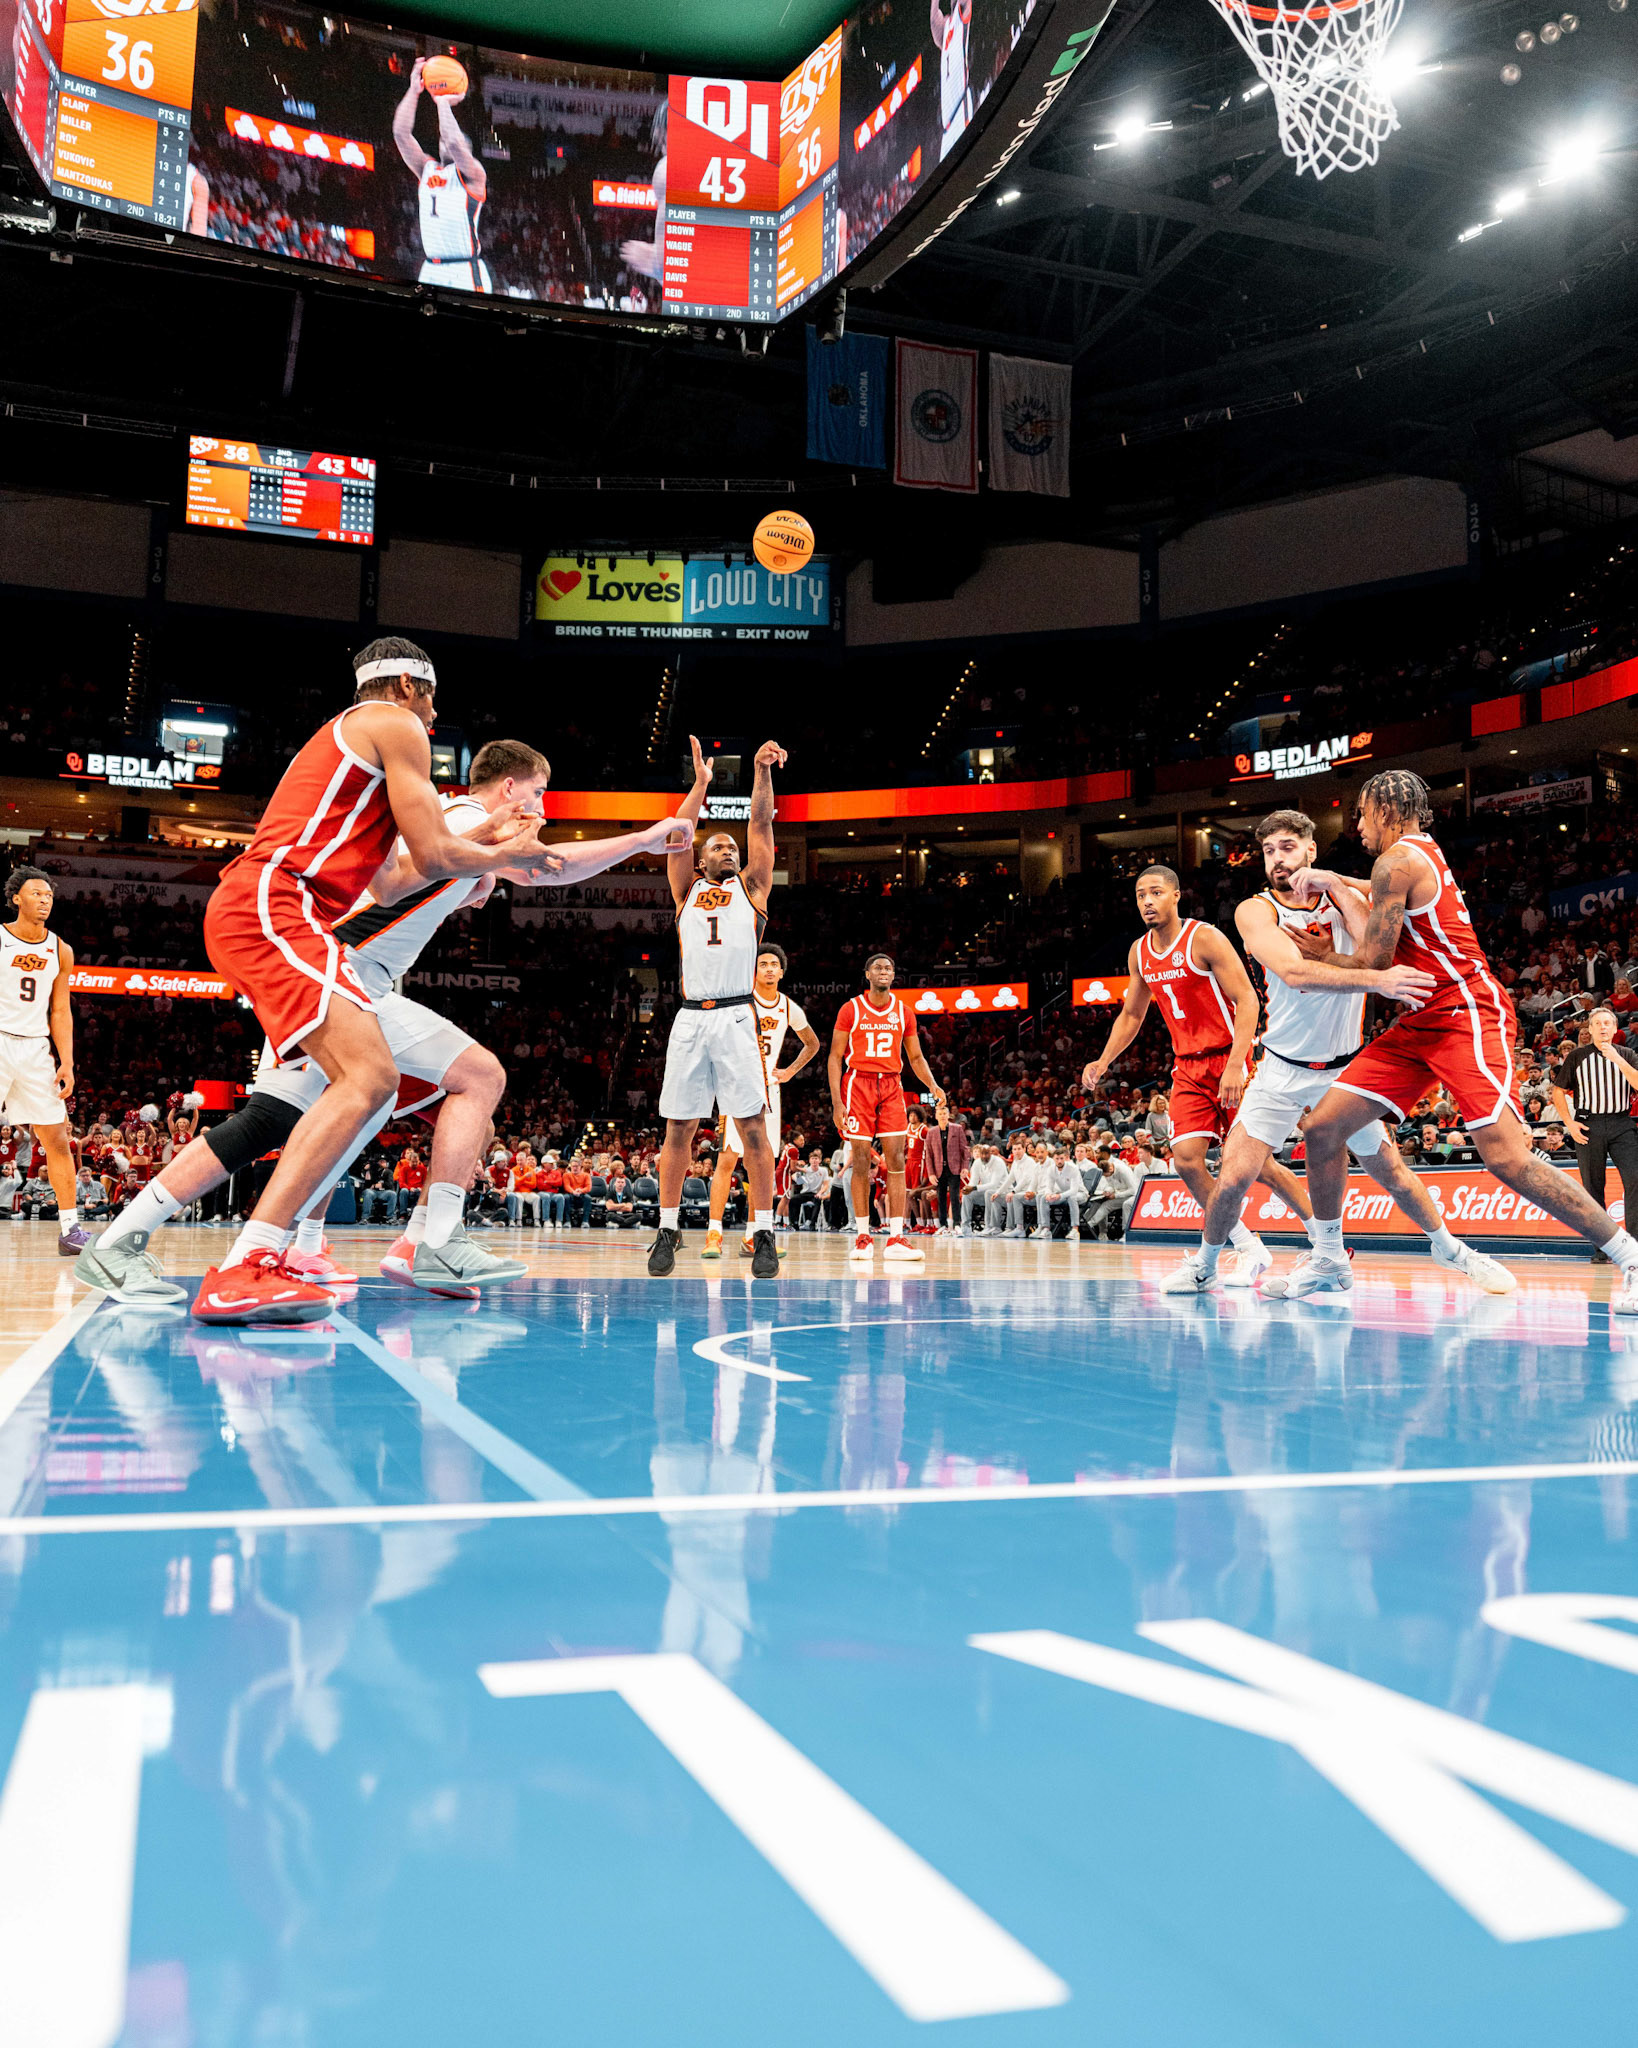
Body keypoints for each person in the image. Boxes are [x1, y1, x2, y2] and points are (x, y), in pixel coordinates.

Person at [153, 639, 549, 1322]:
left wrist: (488, 853)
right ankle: (264, 1256)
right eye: (430, 699)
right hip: (304, 931)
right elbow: (432, 857)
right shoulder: (396, 729)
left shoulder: (352, 756)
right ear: (406, 687)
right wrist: (636, 838)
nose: (432, 717)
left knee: (368, 1096)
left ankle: (317, 1247)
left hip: (311, 935)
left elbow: (398, 875)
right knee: (324, 1100)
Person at [1270, 769, 1638, 1309]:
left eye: (1362, 812)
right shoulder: (1415, 855)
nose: (1358, 823)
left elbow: (1375, 961)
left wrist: (1322, 954)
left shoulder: (1395, 861)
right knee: (1324, 1128)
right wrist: (1333, 881)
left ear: (1386, 811)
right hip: (1422, 1017)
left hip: (1466, 1009)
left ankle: (1630, 1257)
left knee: (1507, 1158)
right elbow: (1377, 896)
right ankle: (1328, 1258)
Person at [1163, 807, 1514, 1296]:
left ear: (1311, 850)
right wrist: (1378, 981)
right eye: (1268, 851)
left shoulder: (1345, 897)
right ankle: (1205, 1265)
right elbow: (1295, 972)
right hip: (1280, 1068)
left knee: (1391, 1171)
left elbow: (1389, 917)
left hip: (1346, 1070)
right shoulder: (1256, 910)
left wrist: (1338, 894)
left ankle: (1454, 1251)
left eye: (1288, 848)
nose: (1278, 860)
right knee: (1233, 1177)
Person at [1080, 863, 1313, 1283]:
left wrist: (1238, 1064)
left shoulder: (1204, 937)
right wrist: (1103, 1059)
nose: (1147, 902)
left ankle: (1326, 1240)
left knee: (1258, 1166)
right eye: (1139, 896)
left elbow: (1248, 1000)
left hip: (1231, 1058)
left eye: (1155, 893)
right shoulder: (1140, 952)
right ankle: (1248, 1246)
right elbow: (1132, 1014)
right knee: (1187, 1161)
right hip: (1187, 1067)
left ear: (1175, 895)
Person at [649, 737, 787, 1280]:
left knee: (753, 1128)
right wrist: (701, 785)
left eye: (732, 848)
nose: (729, 850)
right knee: (677, 1130)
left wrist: (759, 771)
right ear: (701, 857)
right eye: (718, 847)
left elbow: (760, 825)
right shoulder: (684, 889)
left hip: (735, 1016)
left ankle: (763, 1233)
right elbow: (678, 833)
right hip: (690, 1018)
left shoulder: (753, 889)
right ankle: (667, 1228)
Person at [702, 943, 819, 1261]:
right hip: (736, 1088)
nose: (768, 968)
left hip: (769, 1091)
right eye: (762, 963)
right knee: (727, 1161)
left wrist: (790, 1072)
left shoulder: (788, 1007)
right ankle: (714, 1235)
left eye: (773, 964)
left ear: (782, 971)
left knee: (762, 1166)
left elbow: (812, 1043)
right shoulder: (740, 1002)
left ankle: (753, 1237)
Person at [828, 953, 947, 1265]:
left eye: (889, 968)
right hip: (858, 1084)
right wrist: (837, 1102)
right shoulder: (850, 1008)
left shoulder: (903, 1011)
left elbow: (916, 1058)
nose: (884, 971)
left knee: (896, 1158)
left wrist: (932, 1085)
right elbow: (834, 1057)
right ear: (867, 973)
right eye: (878, 967)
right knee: (862, 1159)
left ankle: (896, 1237)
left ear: (894, 975)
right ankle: (863, 1236)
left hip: (891, 1084)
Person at [0, 867, 83, 1254]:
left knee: (58, 1141)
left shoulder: (60, 949)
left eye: (49, 895)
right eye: (36, 894)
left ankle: (70, 1231)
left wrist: (66, 1061)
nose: (44, 900)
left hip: (35, 1049)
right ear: (17, 898)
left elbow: (61, 1011)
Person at [393, 56, 492, 293]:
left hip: (465, 271)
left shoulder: (474, 174)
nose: (445, 142)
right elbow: (400, 133)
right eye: (441, 140)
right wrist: (413, 90)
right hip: (431, 268)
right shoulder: (426, 168)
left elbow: (454, 143)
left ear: (467, 149)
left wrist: (442, 101)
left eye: (450, 140)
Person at [1552, 1006, 1638, 1262]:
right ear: (1589, 1030)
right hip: (1588, 1124)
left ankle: (1633, 1245)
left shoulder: (1628, 1053)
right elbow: (1558, 1091)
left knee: (1635, 1179)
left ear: (1614, 1028)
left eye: (1607, 1023)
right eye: (1597, 1023)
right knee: (1593, 1186)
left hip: (1622, 1123)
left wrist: (1618, 1060)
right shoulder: (1577, 1057)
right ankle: (1603, 1248)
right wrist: (1569, 1122)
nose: (1602, 1027)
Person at [932, 0, 974, 160]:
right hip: (947, 125)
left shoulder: (962, 11)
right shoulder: (946, 27)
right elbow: (933, 21)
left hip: (959, 106)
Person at [923, 1103, 970, 1233]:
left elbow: (965, 1150)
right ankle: (942, 1225)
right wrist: (931, 1173)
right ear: (936, 1116)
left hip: (954, 1168)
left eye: (945, 1114)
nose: (943, 1116)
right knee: (941, 1197)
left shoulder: (957, 1128)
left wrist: (965, 1167)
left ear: (948, 1115)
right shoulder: (931, 1132)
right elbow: (929, 1155)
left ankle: (956, 1224)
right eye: (940, 1114)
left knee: (954, 1197)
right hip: (938, 1169)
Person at [961, 1142, 1007, 1233]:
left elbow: (994, 1184)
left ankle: (989, 1226)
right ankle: (965, 1226)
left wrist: (974, 1188)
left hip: (1001, 1193)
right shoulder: (977, 1163)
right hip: (986, 1194)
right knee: (967, 1195)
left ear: (991, 1153)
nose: (984, 1156)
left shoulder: (998, 1162)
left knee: (988, 1192)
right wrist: (967, 1189)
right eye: (982, 1153)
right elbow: (973, 1182)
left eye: (986, 1153)